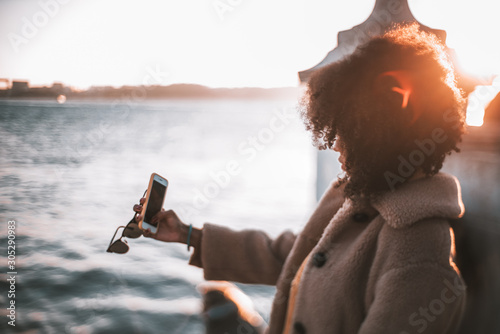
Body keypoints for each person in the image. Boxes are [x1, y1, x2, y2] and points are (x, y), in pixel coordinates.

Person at [134, 24, 467, 334]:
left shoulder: (420, 249)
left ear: (384, 129)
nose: (335, 142)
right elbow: (291, 257)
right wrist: (186, 234)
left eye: (347, 128)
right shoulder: (353, 198)